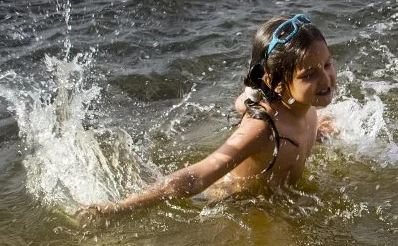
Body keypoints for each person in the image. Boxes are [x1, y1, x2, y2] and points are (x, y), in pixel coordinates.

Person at [81, 13, 337, 216]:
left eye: (326, 64)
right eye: (309, 75)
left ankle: (248, 97)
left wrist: (319, 133)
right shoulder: (263, 129)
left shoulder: (306, 106)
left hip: (276, 194)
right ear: (278, 84)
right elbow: (201, 174)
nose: (326, 78)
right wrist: (122, 207)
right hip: (235, 203)